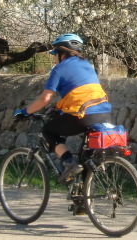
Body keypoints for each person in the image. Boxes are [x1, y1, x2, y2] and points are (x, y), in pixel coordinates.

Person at [14, 33, 113, 183]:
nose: (55, 57)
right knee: (88, 159)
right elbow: (82, 93)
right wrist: (60, 110)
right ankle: (84, 201)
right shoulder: (87, 66)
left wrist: (25, 112)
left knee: (48, 130)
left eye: (55, 54)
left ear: (62, 53)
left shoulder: (59, 69)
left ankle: (69, 163)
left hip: (83, 115)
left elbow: (45, 99)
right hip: (105, 113)